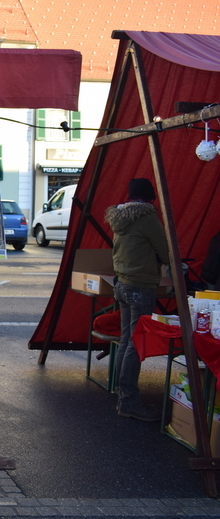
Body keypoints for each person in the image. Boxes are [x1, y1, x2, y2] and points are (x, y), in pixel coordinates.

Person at [105, 178, 170, 421]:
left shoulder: (119, 219)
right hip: (141, 286)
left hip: (122, 283)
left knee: (126, 340)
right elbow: (167, 251)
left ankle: (121, 392)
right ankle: (129, 401)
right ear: (150, 197)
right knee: (135, 342)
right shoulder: (147, 218)